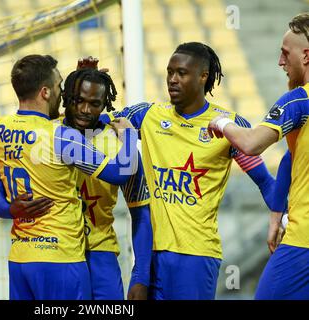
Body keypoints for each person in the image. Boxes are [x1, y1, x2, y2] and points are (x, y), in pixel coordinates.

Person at [99, 42, 277, 299]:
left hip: (196, 256)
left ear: (203, 76)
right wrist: (90, 80)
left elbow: (265, 182)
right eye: (169, 72)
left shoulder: (228, 126)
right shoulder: (148, 115)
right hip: (150, 255)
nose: (172, 79)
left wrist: (286, 220)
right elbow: (94, 123)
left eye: (181, 73)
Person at [0, 66, 153, 300]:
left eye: (94, 103)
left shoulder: (120, 147)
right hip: (53, 253)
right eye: (77, 100)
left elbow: (141, 213)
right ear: (65, 97)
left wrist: (140, 276)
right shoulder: (45, 134)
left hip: (100, 255)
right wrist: (9, 209)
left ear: (104, 104)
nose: (85, 110)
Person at [208, 13, 309, 299]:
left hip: (303, 242)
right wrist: (276, 213)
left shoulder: (299, 100)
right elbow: (293, 157)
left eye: (285, 54)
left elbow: (251, 144)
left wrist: (222, 123)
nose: (280, 62)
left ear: (306, 56)